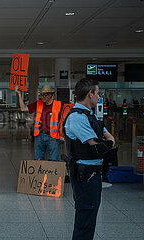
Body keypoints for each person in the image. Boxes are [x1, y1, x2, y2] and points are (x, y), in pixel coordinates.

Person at [63, 78, 115, 240]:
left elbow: (110, 141)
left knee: (90, 216)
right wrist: (107, 142)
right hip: (84, 175)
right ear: (89, 94)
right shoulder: (77, 118)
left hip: (93, 174)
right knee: (85, 219)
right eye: (97, 93)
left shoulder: (91, 117)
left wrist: (108, 141)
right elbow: (99, 148)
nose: (99, 97)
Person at [15, 85, 62, 161]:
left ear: (50, 95)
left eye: (44, 95)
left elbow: (62, 122)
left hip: (53, 136)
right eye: (41, 95)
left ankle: (50, 173)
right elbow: (23, 108)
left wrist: (62, 135)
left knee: (53, 160)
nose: (42, 97)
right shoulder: (38, 103)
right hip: (39, 135)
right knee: (38, 160)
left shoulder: (58, 105)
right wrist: (19, 94)